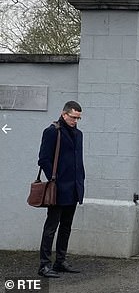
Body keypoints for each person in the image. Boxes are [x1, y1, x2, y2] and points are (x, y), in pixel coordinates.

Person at [37, 101, 85, 278]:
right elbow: (43, 159)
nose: (75, 121)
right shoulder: (52, 131)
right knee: (51, 226)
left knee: (66, 226)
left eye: (78, 118)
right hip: (58, 188)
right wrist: (53, 179)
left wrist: (80, 180)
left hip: (73, 188)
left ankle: (60, 261)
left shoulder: (79, 134)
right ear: (64, 114)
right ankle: (44, 265)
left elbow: (77, 160)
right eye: (73, 117)